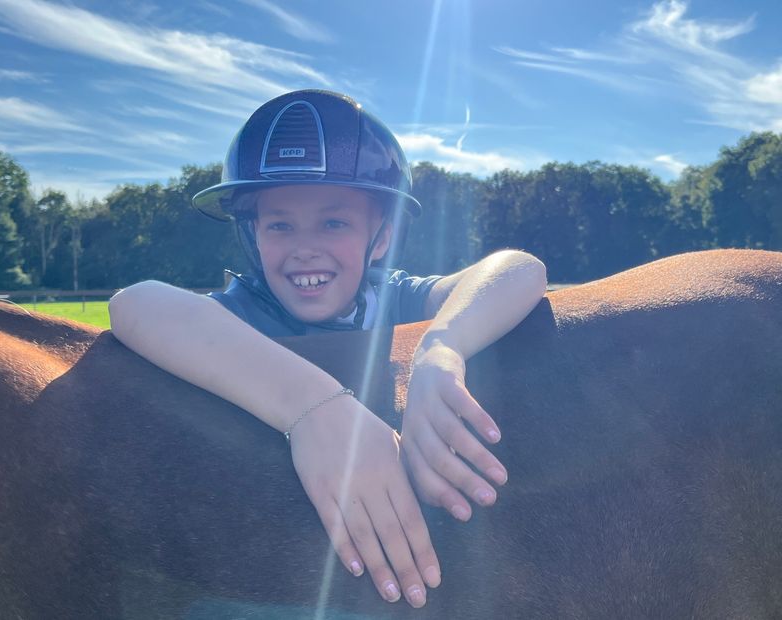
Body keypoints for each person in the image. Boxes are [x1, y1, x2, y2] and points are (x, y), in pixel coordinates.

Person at [109, 89, 546, 608]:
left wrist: (440, 350)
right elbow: (134, 304)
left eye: (334, 222)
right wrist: (315, 409)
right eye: (279, 225)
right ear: (252, 236)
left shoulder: (393, 297)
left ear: (379, 237)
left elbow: (519, 269)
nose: (304, 247)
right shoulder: (239, 314)